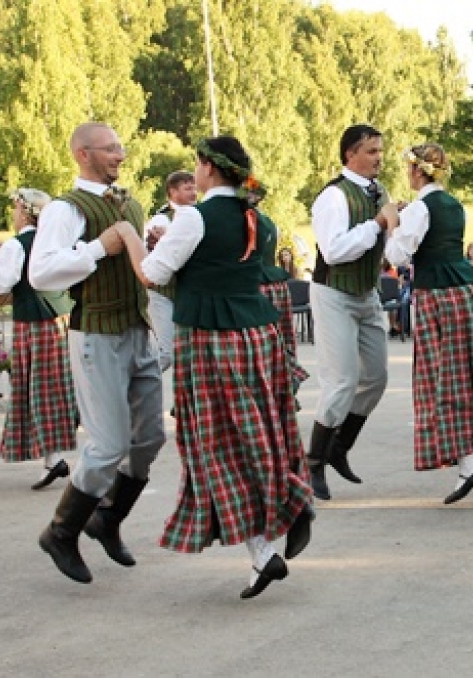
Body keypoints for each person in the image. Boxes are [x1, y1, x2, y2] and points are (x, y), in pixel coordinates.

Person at [114, 135, 313, 599]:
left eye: (197, 165)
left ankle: (275, 534)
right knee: (261, 431)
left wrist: (129, 237)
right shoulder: (258, 219)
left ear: (207, 167)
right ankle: (269, 538)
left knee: (218, 445)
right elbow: (221, 263)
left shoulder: (193, 218)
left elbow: (152, 275)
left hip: (210, 340)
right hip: (258, 337)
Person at [30, 122, 166, 584]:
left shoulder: (131, 202)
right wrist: (98, 248)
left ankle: (106, 519)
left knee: (149, 439)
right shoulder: (65, 210)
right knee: (108, 445)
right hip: (96, 336)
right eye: (110, 149)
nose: (120, 155)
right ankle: (61, 532)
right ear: (82, 154)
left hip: (137, 331)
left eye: (120, 146)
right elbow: (41, 274)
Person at [383, 143, 473, 503]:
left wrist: (390, 222)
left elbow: (397, 254)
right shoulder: (452, 204)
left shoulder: (419, 208)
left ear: (418, 172)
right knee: (470, 370)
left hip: (440, 297)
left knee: (442, 381)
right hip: (470, 291)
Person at [306, 124, 398, 500]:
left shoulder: (380, 192)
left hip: (366, 291)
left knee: (375, 378)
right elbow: (334, 251)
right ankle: (313, 463)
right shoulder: (333, 196)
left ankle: (339, 449)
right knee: (341, 381)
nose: (379, 157)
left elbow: (389, 247)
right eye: (372, 151)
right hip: (333, 293)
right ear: (350, 155)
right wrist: (377, 223)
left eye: (380, 150)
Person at [0, 188, 78, 490]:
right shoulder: (58, 242)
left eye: (17, 210)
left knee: (38, 390)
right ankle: (53, 458)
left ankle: (56, 457)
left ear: (25, 212)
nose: (14, 215)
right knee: (54, 390)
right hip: (62, 319)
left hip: (34, 323)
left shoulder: (17, 246)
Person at [251, 183, 310, 391]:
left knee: (261, 347)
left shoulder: (249, 221)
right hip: (274, 286)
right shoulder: (268, 222)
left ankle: (275, 389)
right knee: (280, 341)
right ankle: (283, 385)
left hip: (255, 287)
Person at [144, 170, 197, 373]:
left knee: (187, 352)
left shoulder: (196, 214)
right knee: (166, 354)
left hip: (183, 292)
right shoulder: (162, 219)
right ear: (172, 192)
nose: (193, 192)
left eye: (193, 187)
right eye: (187, 188)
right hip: (161, 293)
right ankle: (139, 383)